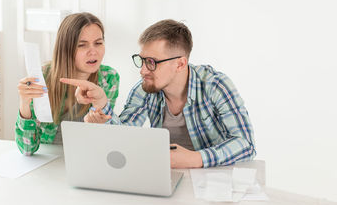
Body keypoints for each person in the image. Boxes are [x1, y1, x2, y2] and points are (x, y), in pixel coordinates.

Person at [61, 19, 256, 169]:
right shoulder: (145, 88)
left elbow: (246, 145)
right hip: (167, 177)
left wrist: (195, 158)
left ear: (180, 63)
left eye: (152, 62)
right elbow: (125, 133)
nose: (143, 70)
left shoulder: (215, 85)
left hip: (214, 180)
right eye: (142, 60)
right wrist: (102, 105)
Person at [15, 12, 120, 155]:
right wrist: (24, 105)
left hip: (85, 158)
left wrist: (102, 124)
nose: (93, 51)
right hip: (48, 162)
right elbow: (27, 150)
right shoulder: (43, 77)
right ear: (65, 49)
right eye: (82, 45)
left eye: (98, 43)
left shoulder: (108, 78)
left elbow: (106, 142)